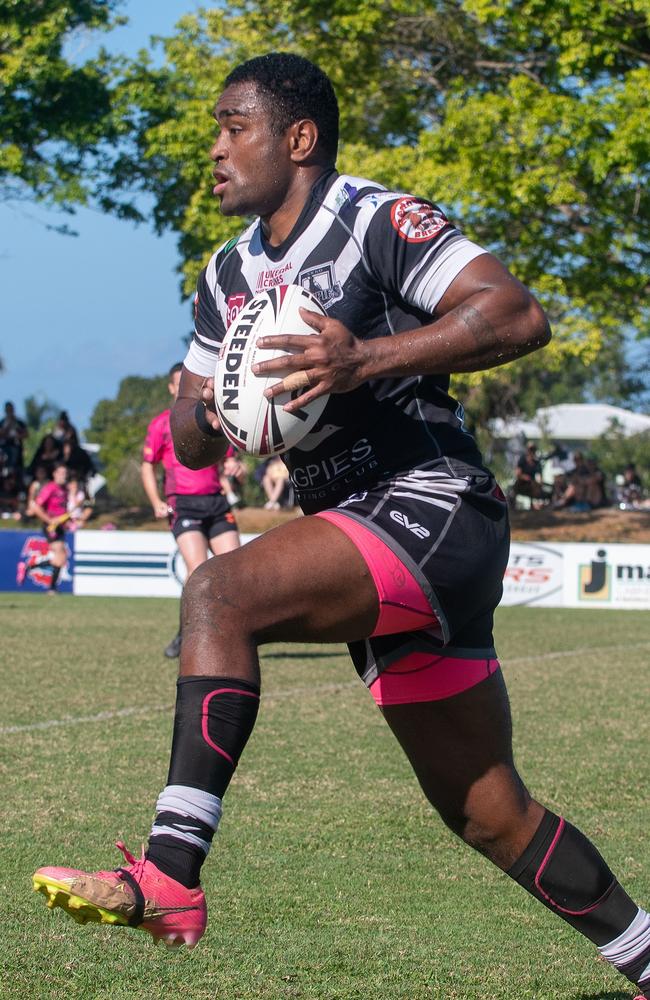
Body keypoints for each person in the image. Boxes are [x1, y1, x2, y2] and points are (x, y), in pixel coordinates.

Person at [33, 53, 650, 998]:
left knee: (219, 592)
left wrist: (365, 359)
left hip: (433, 501)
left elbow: (517, 315)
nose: (216, 149)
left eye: (234, 126)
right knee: (490, 814)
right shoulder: (227, 272)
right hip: (358, 531)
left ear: (299, 138)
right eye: (216, 128)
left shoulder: (374, 219)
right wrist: (209, 408)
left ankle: (169, 875)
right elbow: (196, 444)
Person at [140, 362, 241, 658]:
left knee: (234, 571)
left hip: (216, 501)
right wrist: (155, 500)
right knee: (197, 572)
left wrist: (234, 467)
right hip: (183, 504)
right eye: (179, 382)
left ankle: (236, 635)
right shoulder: (162, 424)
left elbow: (229, 459)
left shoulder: (213, 420)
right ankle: (187, 634)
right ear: (173, 388)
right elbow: (148, 466)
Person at [18, 462, 69, 593]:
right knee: (59, 553)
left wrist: (67, 519)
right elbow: (36, 507)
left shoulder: (65, 489)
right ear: (55, 474)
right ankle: (51, 589)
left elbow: (62, 510)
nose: (64, 476)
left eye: (65, 473)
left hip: (60, 526)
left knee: (61, 558)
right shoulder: (50, 488)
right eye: (61, 473)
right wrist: (50, 520)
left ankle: (29, 568)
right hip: (50, 526)